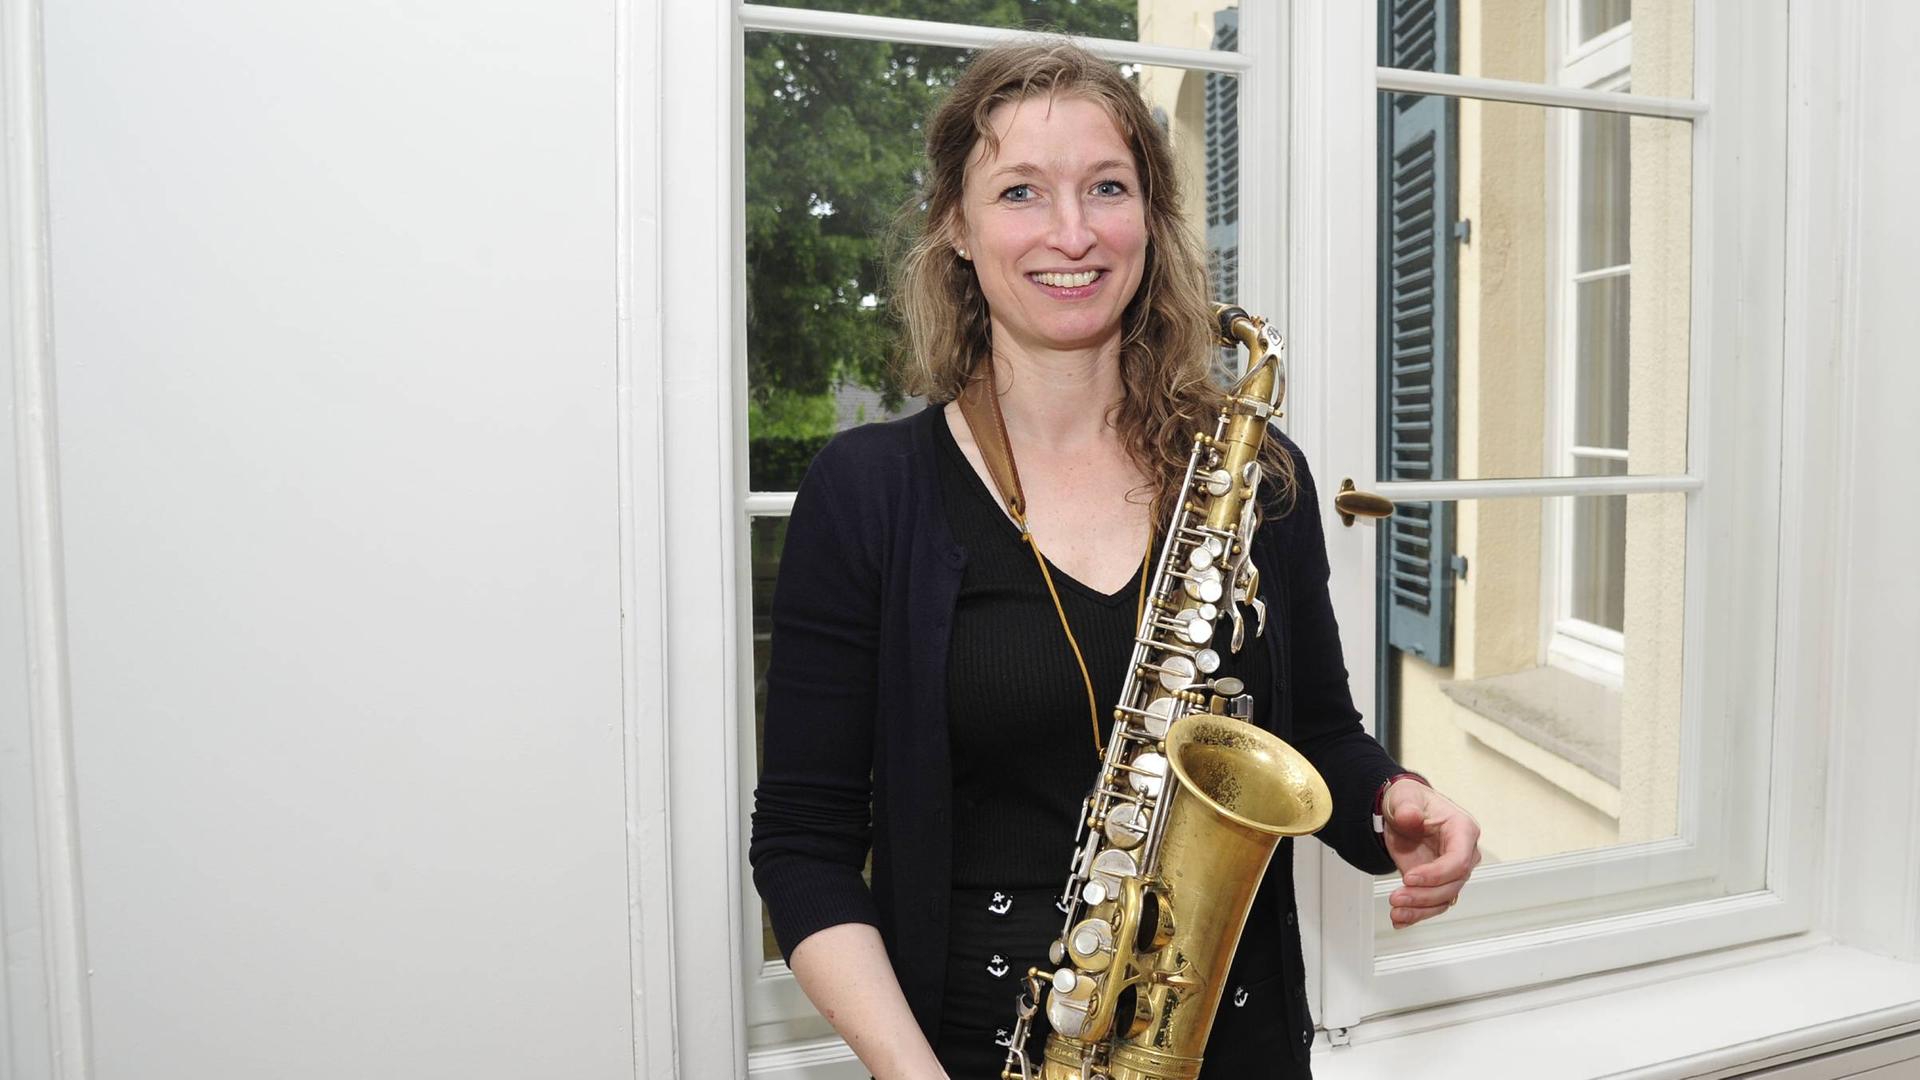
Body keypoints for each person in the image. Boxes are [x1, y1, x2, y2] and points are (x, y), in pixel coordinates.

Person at [749, 39, 1481, 1080]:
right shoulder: (869, 494)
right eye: (1019, 192)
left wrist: (1391, 808)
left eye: (1107, 187)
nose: (1073, 232)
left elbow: (1317, 734)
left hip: (1235, 1044)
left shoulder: (1255, 476)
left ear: (1151, 215)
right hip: (978, 1054)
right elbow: (803, 846)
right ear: (955, 227)